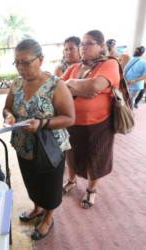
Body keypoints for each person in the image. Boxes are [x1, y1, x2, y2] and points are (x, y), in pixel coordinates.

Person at [3, 39, 75, 240]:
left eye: (25, 62)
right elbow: (7, 107)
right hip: (23, 145)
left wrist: (42, 124)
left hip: (50, 147)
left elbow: (69, 118)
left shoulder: (56, 85)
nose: (20, 68)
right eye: (16, 62)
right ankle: (37, 208)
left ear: (41, 59)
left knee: (50, 184)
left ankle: (48, 217)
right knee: (31, 180)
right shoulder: (16, 84)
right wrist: (8, 115)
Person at [61, 30, 120, 209]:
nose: (83, 48)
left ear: (101, 46)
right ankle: (71, 180)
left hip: (99, 124)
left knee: (96, 157)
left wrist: (71, 84)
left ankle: (91, 190)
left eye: (89, 44)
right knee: (71, 154)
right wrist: (79, 87)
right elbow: (57, 90)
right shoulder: (74, 68)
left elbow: (94, 86)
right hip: (72, 122)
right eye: (82, 44)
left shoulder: (109, 64)